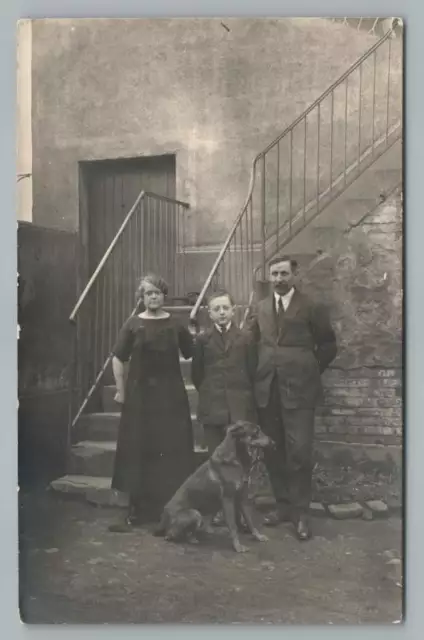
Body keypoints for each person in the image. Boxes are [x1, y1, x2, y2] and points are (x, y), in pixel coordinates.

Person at [245, 256, 337, 540]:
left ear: (294, 275)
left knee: (299, 452)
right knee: (273, 449)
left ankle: (301, 514)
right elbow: (249, 343)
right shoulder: (260, 308)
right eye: (274, 274)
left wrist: (309, 369)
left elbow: (329, 344)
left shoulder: (311, 307)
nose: (278, 279)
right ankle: (283, 506)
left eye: (284, 273)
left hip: (299, 392)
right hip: (268, 391)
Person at [108, 273, 195, 532]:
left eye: (157, 292)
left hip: (170, 398)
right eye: (148, 293)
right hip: (140, 397)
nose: (153, 297)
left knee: (168, 448)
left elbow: (192, 353)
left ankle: (166, 506)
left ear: (164, 295)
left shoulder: (176, 324)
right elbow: (117, 357)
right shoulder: (133, 324)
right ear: (141, 297)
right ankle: (138, 507)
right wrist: (121, 391)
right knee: (139, 447)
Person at [191, 290, 257, 526]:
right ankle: (221, 509)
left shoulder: (246, 338)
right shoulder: (202, 340)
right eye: (216, 309)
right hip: (213, 408)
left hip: (237, 412)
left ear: (233, 310)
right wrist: (211, 395)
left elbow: (252, 371)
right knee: (217, 463)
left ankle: (241, 512)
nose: (221, 313)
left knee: (239, 462)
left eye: (225, 308)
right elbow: (197, 375)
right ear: (210, 313)